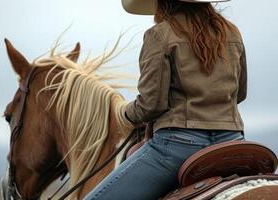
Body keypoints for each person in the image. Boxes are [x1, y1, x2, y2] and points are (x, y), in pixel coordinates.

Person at [84, 0, 247, 199]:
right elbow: (239, 94)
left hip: (178, 147)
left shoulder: (160, 34)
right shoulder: (232, 33)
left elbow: (151, 105)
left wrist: (126, 113)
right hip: (231, 143)